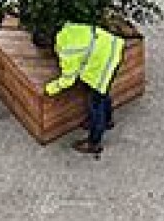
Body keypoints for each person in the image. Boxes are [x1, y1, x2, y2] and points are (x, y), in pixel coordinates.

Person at [44, 20, 126, 157]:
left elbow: (68, 79)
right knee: (103, 92)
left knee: (96, 103)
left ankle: (94, 143)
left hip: (104, 62)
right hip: (112, 48)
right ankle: (107, 120)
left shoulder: (66, 49)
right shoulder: (68, 28)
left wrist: (50, 89)